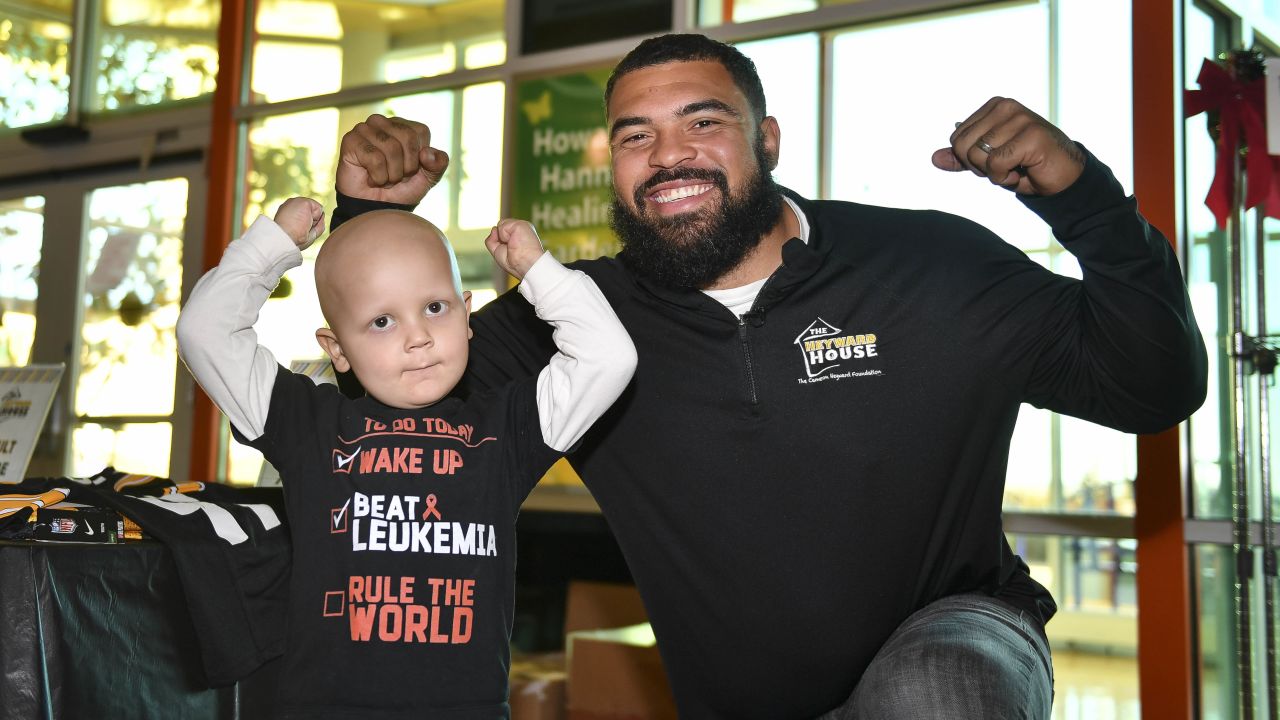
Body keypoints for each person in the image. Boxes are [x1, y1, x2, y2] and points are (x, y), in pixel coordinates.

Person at [330, 33, 1207, 719]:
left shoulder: (930, 262)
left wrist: (1084, 201)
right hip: (743, 704)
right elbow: (398, 427)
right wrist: (371, 225)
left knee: (930, 696)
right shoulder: (573, 315)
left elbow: (1151, 385)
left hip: (959, 638)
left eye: (703, 123)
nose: (669, 155)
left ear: (769, 139)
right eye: (637, 136)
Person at [176, 200, 636, 717]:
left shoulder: (508, 428)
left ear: (467, 315)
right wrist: (273, 245)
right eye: (381, 321)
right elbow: (205, 332)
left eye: (435, 308)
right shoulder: (306, 424)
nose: (418, 337)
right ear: (337, 349)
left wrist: (538, 271)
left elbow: (609, 356)